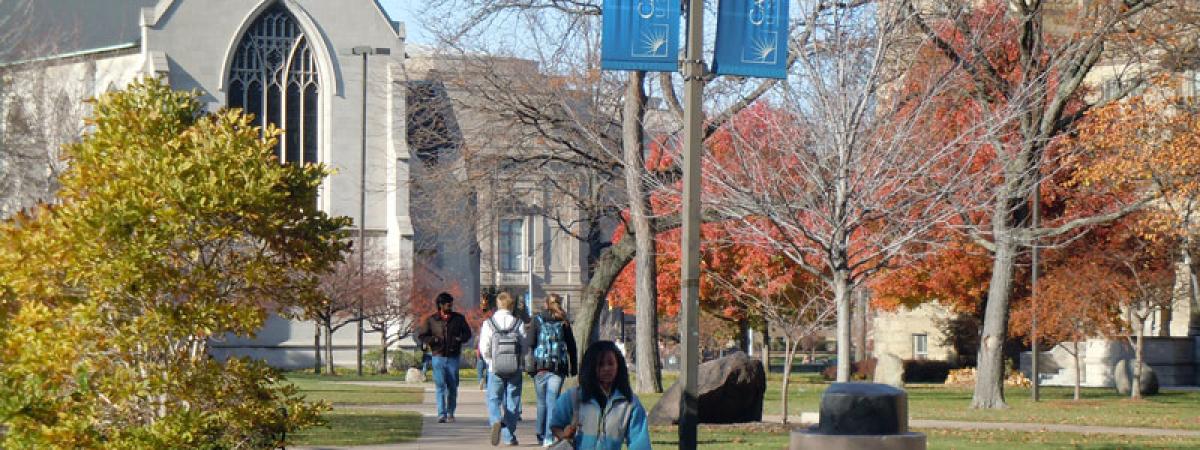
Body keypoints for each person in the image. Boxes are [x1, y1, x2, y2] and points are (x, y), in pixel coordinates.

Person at [550, 340, 650, 450]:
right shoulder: (573, 397)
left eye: (611, 363)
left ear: (618, 366)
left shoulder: (629, 403)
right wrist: (564, 435)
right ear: (590, 367)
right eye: (601, 364)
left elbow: (639, 442)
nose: (606, 368)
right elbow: (555, 425)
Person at [526, 294, 578, 447]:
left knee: (541, 402)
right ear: (560, 304)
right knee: (552, 402)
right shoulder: (564, 321)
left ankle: (540, 434)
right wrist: (573, 367)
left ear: (546, 303)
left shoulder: (537, 319)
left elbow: (530, 343)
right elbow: (571, 346)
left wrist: (530, 365)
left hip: (540, 366)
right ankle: (549, 436)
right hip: (558, 367)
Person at [416, 292, 473, 423]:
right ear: (441, 305)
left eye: (451, 303)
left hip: (453, 357)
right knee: (440, 386)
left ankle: (451, 412)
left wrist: (459, 339)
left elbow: (468, 334)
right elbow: (421, 336)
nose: (450, 305)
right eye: (448, 303)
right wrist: (432, 340)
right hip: (438, 356)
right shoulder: (431, 320)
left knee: (453, 386)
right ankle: (441, 414)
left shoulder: (458, 318)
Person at [480, 292, 526, 446]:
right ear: (511, 305)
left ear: (498, 305)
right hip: (514, 368)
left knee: (493, 398)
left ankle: (495, 421)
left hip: (496, 368)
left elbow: (483, 346)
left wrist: (490, 362)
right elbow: (524, 346)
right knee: (512, 401)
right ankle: (508, 436)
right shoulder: (518, 323)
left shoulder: (489, 323)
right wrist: (519, 361)